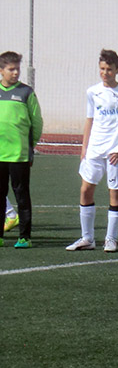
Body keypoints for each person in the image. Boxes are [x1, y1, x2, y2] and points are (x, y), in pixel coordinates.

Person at [66, 49, 118, 253]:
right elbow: (90, 120)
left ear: (117, 70)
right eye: (102, 69)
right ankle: (87, 238)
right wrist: (84, 148)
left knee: (114, 193)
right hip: (94, 151)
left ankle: (110, 239)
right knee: (85, 189)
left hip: (114, 152)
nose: (105, 73)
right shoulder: (92, 92)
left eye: (109, 69)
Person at [0, 51, 42, 248]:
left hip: (19, 154)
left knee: (22, 195)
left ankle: (24, 236)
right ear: (1, 71)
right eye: (11, 69)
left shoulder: (26, 93)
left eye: (17, 69)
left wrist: (30, 145)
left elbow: (37, 122)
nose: (15, 73)